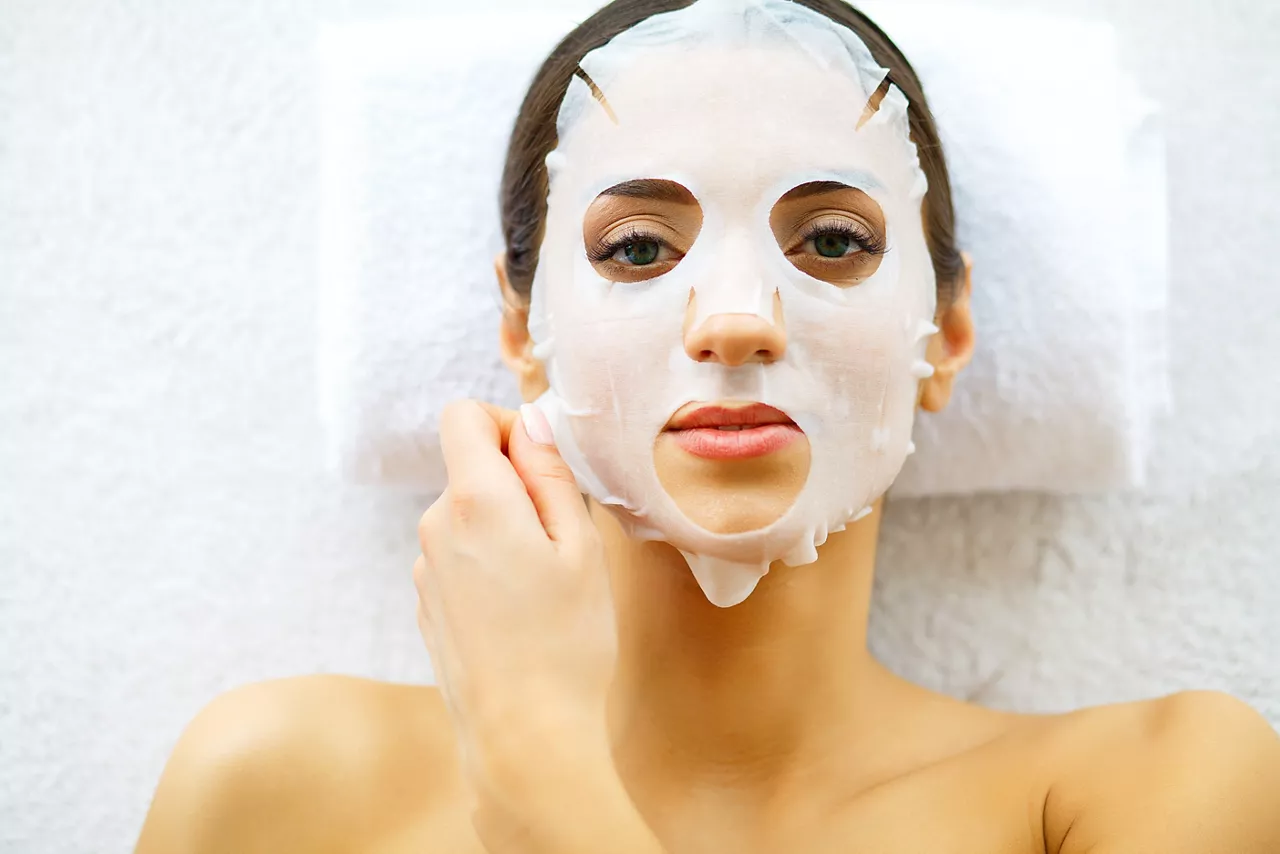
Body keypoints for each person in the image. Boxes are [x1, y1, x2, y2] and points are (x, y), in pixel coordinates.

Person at [134, 1, 1280, 852]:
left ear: (947, 327)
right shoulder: (280, 794)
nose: (735, 319)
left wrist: (536, 757)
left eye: (832, 239)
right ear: (523, 328)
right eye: (637, 247)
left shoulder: (1146, 793)